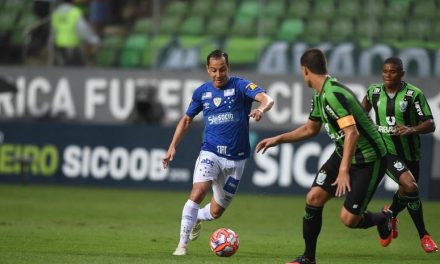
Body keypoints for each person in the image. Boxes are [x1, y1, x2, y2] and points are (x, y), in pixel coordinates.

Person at [255, 48, 392, 264]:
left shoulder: (333, 95)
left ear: (305, 70)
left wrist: (344, 170)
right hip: (343, 152)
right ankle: (308, 258)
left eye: (302, 72)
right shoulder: (320, 95)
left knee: (349, 219)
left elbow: (352, 133)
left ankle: (384, 218)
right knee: (314, 197)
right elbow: (310, 129)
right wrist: (277, 139)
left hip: (369, 159)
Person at [162, 50, 274, 256]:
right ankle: (182, 245)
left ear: (228, 68)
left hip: (236, 160)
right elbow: (186, 119)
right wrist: (172, 146)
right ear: (208, 69)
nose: (218, 74)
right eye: (213, 70)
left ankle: (197, 217)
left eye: (222, 69)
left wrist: (261, 109)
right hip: (210, 152)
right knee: (197, 192)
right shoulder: (201, 92)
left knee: (216, 212)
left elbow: (267, 98)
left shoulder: (241, 86)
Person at [362, 57, 438, 253]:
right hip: (387, 152)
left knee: (407, 192)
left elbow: (430, 124)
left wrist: (411, 129)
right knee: (410, 185)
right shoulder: (374, 92)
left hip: (411, 153)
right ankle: (424, 236)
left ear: (402, 74)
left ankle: (389, 214)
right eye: (385, 71)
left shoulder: (413, 95)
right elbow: (361, 114)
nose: (388, 75)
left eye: (393, 72)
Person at [51, 0, 100, 66]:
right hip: (72, 44)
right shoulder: (75, 12)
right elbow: (83, 29)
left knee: (64, 67)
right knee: (77, 68)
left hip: (59, 43)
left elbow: (54, 29)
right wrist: (94, 40)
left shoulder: (56, 12)